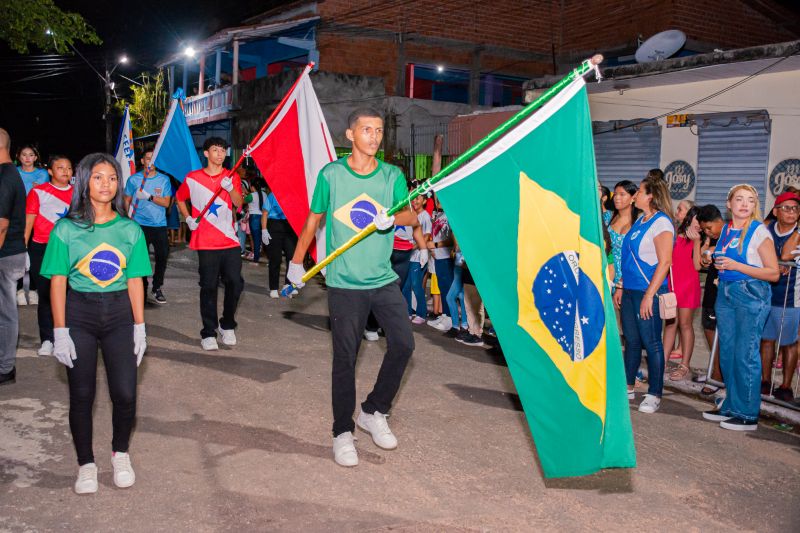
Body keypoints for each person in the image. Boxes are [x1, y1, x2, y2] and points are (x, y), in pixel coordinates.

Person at [286, 108, 417, 467]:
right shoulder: (332, 174)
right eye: (367, 130)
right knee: (345, 358)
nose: (374, 137)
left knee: (404, 344)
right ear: (350, 135)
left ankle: (373, 411)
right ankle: (342, 432)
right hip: (344, 283)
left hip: (383, 279)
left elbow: (411, 215)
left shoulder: (391, 175)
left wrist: (393, 217)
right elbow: (313, 220)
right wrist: (297, 263)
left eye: (379, 130)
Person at [40, 153, 151, 493]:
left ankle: (121, 453)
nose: (106, 184)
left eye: (113, 178)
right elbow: (58, 282)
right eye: (99, 177)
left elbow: (135, 280)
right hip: (80, 314)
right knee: (82, 395)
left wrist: (139, 325)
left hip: (118, 314)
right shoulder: (65, 229)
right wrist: (60, 331)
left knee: (125, 393)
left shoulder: (130, 229)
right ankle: (86, 463)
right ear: (84, 181)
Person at [702, 184, 779, 431]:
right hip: (725, 293)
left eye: (750, 200)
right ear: (729, 204)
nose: (745, 204)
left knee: (746, 354)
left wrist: (736, 266)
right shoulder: (726, 229)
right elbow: (724, 259)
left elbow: (773, 273)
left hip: (751, 295)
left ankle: (747, 414)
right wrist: (711, 257)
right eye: (739, 199)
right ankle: (731, 406)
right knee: (728, 353)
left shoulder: (758, 231)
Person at [175, 137, 245, 350]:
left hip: (229, 240)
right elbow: (179, 198)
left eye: (223, 150)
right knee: (208, 286)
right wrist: (188, 218)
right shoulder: (193, 178)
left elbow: (238, 203)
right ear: (206, 153)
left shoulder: (232, 176)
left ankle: (227, 324)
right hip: (205, 242)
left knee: (235, 283)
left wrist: (230, 188)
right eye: (215, 150)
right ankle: (208, 332)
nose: (220, 154)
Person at [613, 174, 674, 413]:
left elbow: (665, 262)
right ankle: (628, 386)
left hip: (648, 291)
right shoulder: (640, 220)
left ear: (651, 196)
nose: (636, 194)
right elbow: (629, 259)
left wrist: (649, 295)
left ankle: (654, 393)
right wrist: (621, 285)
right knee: (632, 340)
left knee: (652, 343)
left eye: (639, 191)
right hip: (630, 290)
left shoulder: (661, 223)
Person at [24, 154, 73, 356]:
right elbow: (28, 222)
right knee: (45, 295)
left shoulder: (79, 193)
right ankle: (47, 339)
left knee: (69, 295)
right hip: (42, 248)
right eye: (60, 168)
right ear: (50, 171)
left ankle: (66, 336)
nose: (66, 171)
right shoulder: (38, 192)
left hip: (69, 250)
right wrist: (23, 250)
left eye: (69, 168)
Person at [761, 192, 800, 402]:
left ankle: (785, 387)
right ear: (775, 211)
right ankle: (765, 381)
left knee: (789, 342)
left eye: (795, 208)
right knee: (766, 340)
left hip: (792, 296)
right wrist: (775, 264)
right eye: (786, 207)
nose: (792, 212)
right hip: (767, 293)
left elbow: (786, 255)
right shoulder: (767, 229)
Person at [124, 149, 172, 304]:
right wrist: (128, 219)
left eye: (153, 158)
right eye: (147, 158)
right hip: (139, 225)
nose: (150, 161)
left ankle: (157, 287)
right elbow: (126, 200)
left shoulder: (164, 180)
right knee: (140, 259)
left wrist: (149, 197)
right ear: (142, 161)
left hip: (159, 224)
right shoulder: (134, 179)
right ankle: (142, 287)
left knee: (162, 257)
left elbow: (166, 203)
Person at [0, 128, 26, 386]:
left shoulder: (5, 176)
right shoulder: (9, 173)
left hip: (5, 254)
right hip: (9, 253)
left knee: (5, 314)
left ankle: (5, 367)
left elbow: (1, 225)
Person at [663, 205, 702, 381]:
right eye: (697, 219)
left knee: (685, 324)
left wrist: (698, 242)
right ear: (690, 218)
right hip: (672, 283)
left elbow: (697, 266)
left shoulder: (702, 239)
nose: (699, 224)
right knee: (670, 323)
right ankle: (662, 361)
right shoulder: (674, 233)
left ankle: (684, 365)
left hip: (688, 286)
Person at [696, 204, 725, 395]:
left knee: (719, 335)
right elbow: (705, 257)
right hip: (711, 290)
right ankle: (713, 370)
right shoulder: (712, 237)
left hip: (725, 290)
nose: (708, 232)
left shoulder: (730, 233)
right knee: (708, 328)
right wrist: (707, 250)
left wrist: (710, 250)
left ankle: (717, 375)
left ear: (719, 221)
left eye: (709, 228)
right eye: (704, 229)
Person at [261, 189, 298, 298]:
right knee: (275, 258)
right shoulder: (272, 195)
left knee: (291, 257)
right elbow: (265, 213)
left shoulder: (293, 195)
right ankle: (273, 288)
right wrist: (264, 230)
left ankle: (288, 285)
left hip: (289, 226)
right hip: (274, 226)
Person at [403, 194, 432, 324]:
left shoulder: (425, 216)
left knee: (416, 285)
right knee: (406, 286)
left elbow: (426, 236)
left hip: (419, 257)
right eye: (413, 199)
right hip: (410, 257)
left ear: (424, 201)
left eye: (417, 198)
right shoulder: (412, 215)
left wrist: (412, 247)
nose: (414, 201)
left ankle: (421, 313)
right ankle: (408, 312)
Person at [427, 195, 454, 331]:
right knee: (442, 287)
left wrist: (436, 245)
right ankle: (444, 315)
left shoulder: (451, 215)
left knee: (448, 288)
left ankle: (450, 318)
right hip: (438, 256)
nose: (437, 200)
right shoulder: (439, 215)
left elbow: (453, 239)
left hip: (447, 256)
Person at [607, 180, 640, 292]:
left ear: (633, 198)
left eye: (622, 194)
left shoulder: (639, 223)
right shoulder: (608, 217)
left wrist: (621, 284)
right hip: (607, 276)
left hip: (628, 279)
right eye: (615, 194)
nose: (616, 198)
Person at [245, 177, 266, 263]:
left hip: (254, 218)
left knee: (256, 239)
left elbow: (243, 201)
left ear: (252, 186)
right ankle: (262, 254)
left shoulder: (251, 196)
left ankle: (256, 258)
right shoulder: (264, 194)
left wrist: (245, 194)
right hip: (263, 218)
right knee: (262, 238)